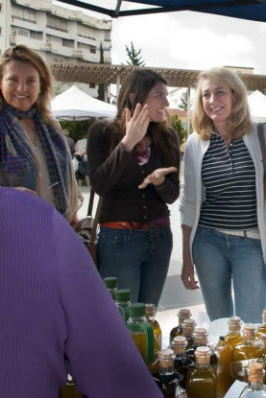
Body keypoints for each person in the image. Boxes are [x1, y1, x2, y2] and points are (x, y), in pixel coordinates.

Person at [0, 6, 162, 398]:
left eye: (31, 81)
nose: (22, 89)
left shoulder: (52, 132)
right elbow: (118, 378)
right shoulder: (31, 219)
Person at [180, 67, 266, 323]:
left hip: (250, 245)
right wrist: (187, 259)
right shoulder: (195, 143)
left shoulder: (260, 134)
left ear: (235, 96)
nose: (212, 101)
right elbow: (188, 204)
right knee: (220, 324)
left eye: (219, 93)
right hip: (207, 243)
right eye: (206, 95)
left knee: (251, 324)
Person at [87, 69, 180, 306]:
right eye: (159, 95)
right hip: (119, 240)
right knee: (122, 321)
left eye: (166, 95)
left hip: (160, 239)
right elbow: (99, 184)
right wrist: (127, 143)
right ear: (133, 97)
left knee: (147, 318)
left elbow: (172, 195)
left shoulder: (168, 137)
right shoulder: (102, 132)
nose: (166, 102)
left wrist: (160, 182)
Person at [0, 45, 82, 223]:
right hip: (8, 233)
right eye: (13, 79)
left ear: (41, 85)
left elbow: (70, 184)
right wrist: (8, 195)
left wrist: (72, 217)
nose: (22, 88)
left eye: (30, 81)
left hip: (54, 230)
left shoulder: (52, 128)